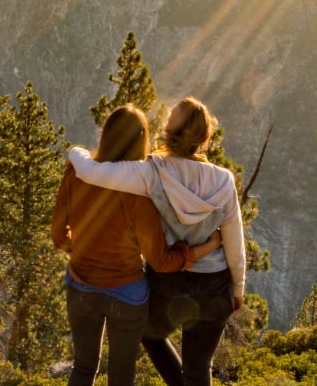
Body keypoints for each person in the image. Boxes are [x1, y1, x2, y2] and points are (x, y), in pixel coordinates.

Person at [65, 97, 246, 386]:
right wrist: (238, 287)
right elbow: (234, 241)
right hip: (215, 281)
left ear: (167, 131)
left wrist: (75, 153)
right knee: (199, 368)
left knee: (150, 334)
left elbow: (92, 173)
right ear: (205, 137)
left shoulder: (151, 172)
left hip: (168, 281)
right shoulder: (223, 180)